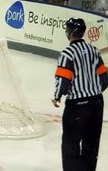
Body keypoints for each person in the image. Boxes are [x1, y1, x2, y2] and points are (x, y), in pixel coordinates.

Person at [53, 17, 108, 171]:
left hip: (77, 107)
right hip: (97, 103)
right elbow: (104, 79)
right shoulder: (94, 51)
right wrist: (93, 94)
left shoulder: (67, 53)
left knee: (71, 146)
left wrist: (57, 96)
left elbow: (63, 79)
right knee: (91, 144)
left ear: (70, 32)